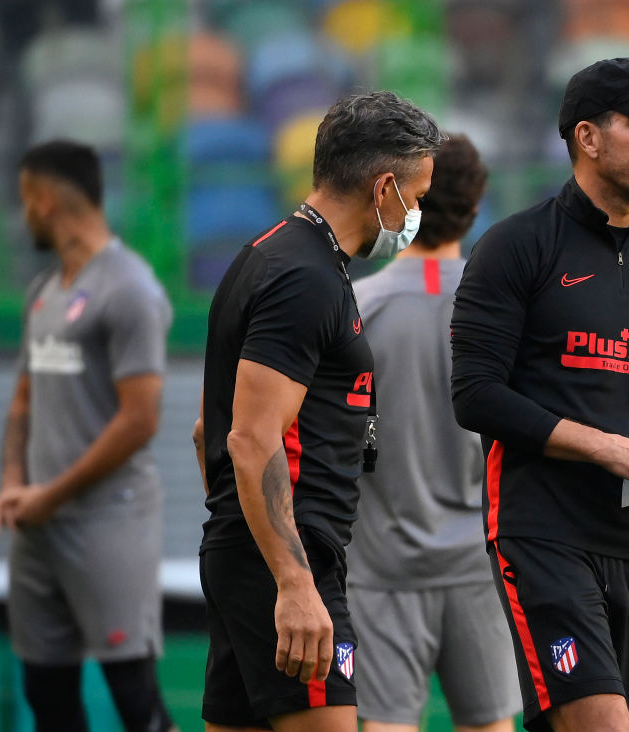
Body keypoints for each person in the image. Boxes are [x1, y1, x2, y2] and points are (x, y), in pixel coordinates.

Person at [449, 58, 629, 732]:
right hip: (545, 535)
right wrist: (610, 450)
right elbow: (476, 395)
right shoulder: (516, 247)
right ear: (588, 138)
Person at [192, 91, 443, 732]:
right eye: (415, 197)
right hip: (289, 563)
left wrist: (242, 537)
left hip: (251, 556)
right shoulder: (305, 277)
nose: (416, 214)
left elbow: (207, 433)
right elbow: (250, 439)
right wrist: (293, 580)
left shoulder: (269, 254)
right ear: (384, 186)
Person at [0, 139, 176, 732]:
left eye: (25, 201)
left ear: (44, 201)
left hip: (107, 526)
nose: (24, 215)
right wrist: (14, 483)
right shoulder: (43, 293)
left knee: (134, 698)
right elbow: (23, 402)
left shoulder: (132, 290)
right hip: (38, 528)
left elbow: (140, 420)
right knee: (47, 696)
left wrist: (53, 492)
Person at [347, 134, 522, 732]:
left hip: (382, 563)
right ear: (476, 204)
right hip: (482, 562)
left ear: (400, 198)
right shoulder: (506, 309)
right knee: (491, 724)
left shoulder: (356, 306)